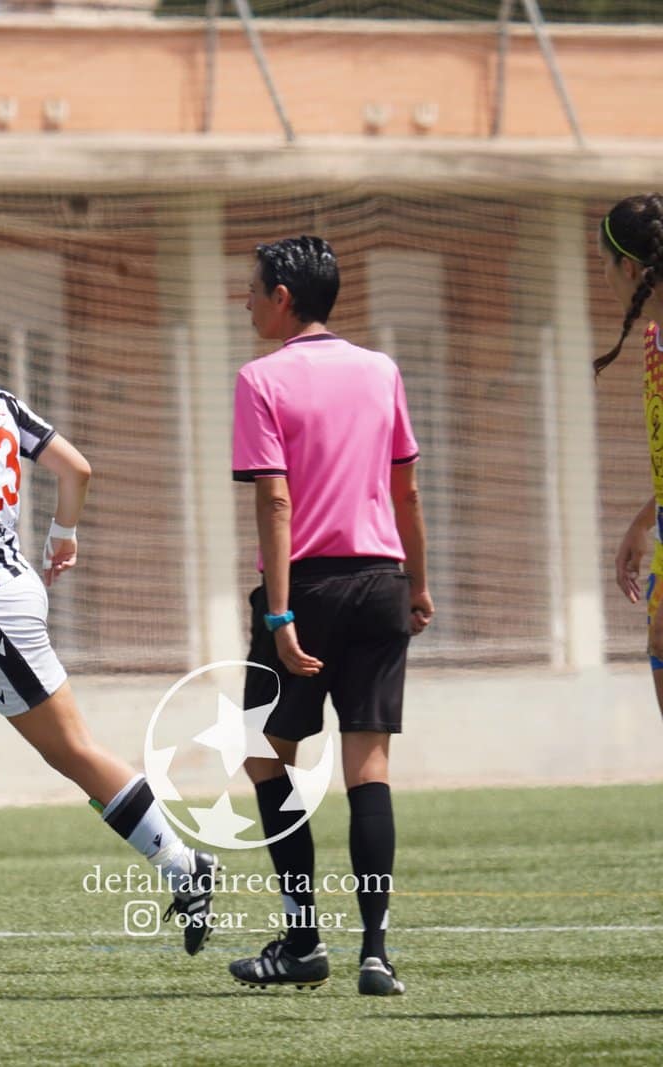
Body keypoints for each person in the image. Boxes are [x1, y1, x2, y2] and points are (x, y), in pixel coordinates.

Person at [0, 293, 218, 958]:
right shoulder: (0, 401)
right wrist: (63, 532)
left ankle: (183, 865)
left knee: (71, 750)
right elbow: (76, 468)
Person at [227, 235, 433, 998]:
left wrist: (280, 615)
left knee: (265, 756)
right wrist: (418, 582)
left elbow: (275, 501)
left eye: (252, 289)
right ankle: (376, 953)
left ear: (283, 296)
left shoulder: (260, 378)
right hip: (381, 582)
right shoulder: (381, 370)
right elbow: (407, 489)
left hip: (306, 590)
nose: (245, 300)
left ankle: (304, 939)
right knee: (368, 768)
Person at [596, 194, 663, 722]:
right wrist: (644, 521)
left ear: (628, 267)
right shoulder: (652, 338)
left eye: (602, 264)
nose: (603, 278)